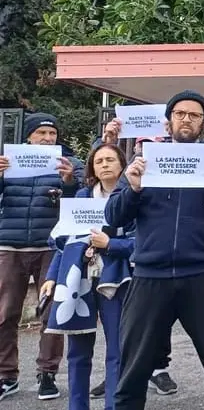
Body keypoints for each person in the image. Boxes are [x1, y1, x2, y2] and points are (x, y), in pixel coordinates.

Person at [108, 90, 204, 410]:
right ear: (169, 121)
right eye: (180, 114)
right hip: (149, 277)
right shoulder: (142, 162)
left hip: (202, 276)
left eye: (195, 115)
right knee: (131, 373)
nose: (186, 119)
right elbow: (113, 217)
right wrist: (131, 189)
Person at [40, 143, 132, 410]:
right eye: (99, 160)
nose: (104, 164)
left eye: (110, 160)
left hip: (116, 281)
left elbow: (142, 243)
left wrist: (111, 244)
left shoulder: (132, 196)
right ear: (92, 167)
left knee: (118, 349)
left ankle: (115, 405)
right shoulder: (81, 196)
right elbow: (64, 241)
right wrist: (52, 276)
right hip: (76, 281)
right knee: (78, 351)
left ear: (122, 165)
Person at [0, 112, 83, 401]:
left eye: (52, 134)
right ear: (29, 137)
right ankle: (6, 376)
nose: (48, 139)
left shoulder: (68, 164)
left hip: (50, 247)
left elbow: (83, 200)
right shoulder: (8, 163)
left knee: (50, 314)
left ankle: (46, 374)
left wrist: (70, 181)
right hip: (10, 246)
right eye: (41, 133)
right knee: (5, 314)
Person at [93, 128, 176, 399]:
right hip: (106, 270)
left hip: (147, 266)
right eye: (141, 146)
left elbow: (142, 234)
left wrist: (111, 246)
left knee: (156, 321)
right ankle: (116, 375)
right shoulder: (122, 184)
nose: (145, 150)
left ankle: (159, 369)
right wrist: (107, 140)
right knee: (123, 328)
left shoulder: (167, 174)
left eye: (152, 145)